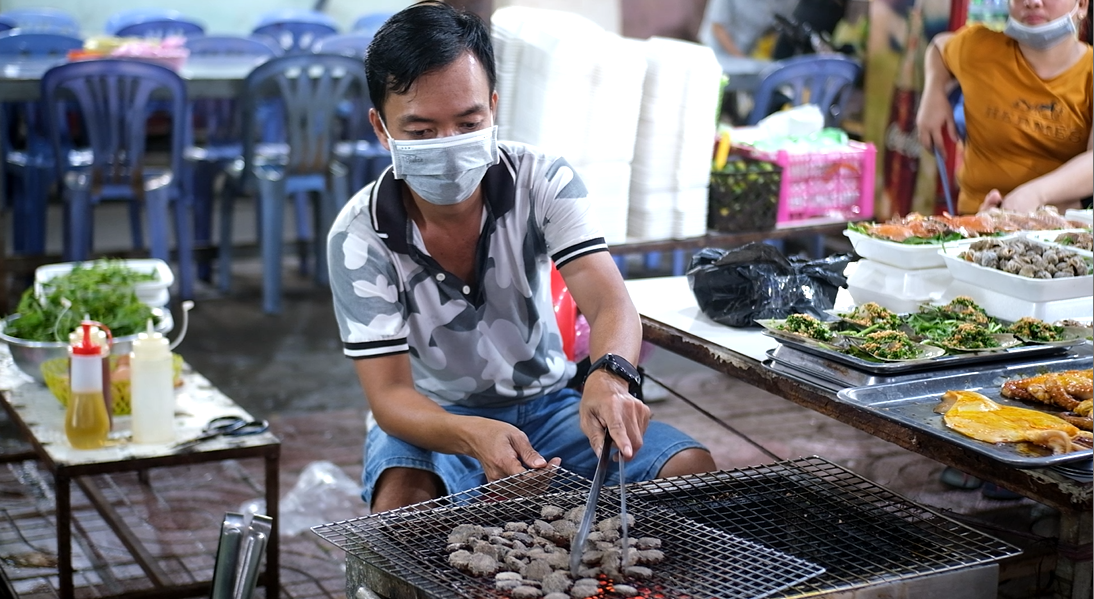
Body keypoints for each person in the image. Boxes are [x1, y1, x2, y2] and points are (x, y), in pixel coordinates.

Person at [327, 1, 716, 513]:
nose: (447, 146)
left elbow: (609, 303)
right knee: (401, 516)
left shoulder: (541, 181)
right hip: (434, 418)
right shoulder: (360, 236)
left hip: (550, 407)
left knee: (690, 475)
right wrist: (470, 434)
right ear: (382, 129)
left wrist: (610, 375)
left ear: (493, 107)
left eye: (468, 123)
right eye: (421, 133)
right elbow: (391, 397)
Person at [916, 0, 1093, 215]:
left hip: (1053, 231)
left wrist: (1035, 194)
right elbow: (939, 46)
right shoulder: (979, 48)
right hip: (971, 223)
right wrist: (934, 90)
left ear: (1082, 4)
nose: (1032, 2)